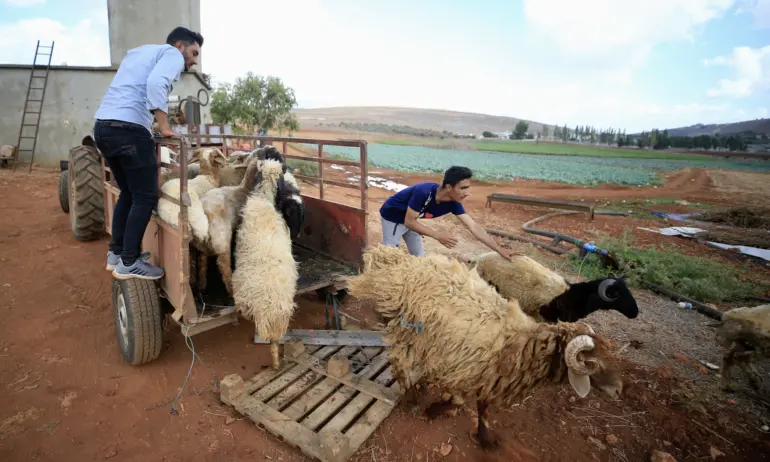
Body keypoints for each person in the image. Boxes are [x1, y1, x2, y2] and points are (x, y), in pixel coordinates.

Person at [93, 27, 203, 280]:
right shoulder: (171, 54)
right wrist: (164, 126)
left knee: (129, 194)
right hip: (128, 131)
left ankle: (117, 254)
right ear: (180, 45)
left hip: (104, 127)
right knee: (145, 196)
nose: (194, 60)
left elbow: (137, 89)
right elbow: (156, 83)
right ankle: (129, 262)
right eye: (194, 52)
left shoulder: (140, 54)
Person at [379, 166, 518, 260]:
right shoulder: (424, 192)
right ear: (449, 187)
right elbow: (409, 222)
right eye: (463, 188)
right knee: (389, 255)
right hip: (393, 217)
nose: (467, 193)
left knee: (419, 256)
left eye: (468, 188)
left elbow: (474, 227)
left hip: (411, 219)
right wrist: (438, 235)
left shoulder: (453, 203)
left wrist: (500, 250)